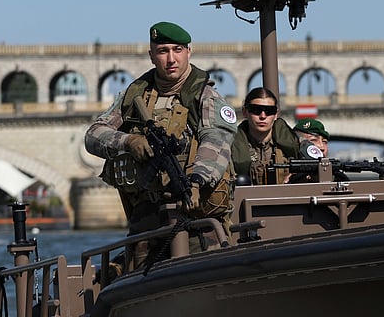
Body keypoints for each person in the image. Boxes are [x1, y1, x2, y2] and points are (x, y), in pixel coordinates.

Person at [85, 21, 238, 272]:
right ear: (151, 55)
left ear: (189, 52)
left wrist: (198, 180)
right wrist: (129, 141)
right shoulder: (135, 96)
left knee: (202, 275)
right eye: (163, 51)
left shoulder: (205, 97)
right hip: (147, 218)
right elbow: (93, 135)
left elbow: (216, 140)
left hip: (196, 213)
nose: (171, 59)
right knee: (137, 279)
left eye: (177, 50)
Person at [230, 87, 319, 185]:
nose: (263, 116)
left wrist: (298, 174)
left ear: (276, 114)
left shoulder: (295, 142)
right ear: (244, 112)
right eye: (256, 110)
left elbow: (323, 167)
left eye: (269, 111)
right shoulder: (230, 145)